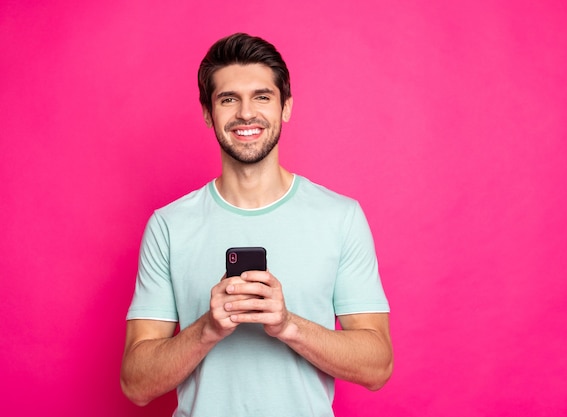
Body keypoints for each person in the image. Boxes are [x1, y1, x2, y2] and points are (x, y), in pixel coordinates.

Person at [120, 33, 393, 417]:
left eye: (262, 96)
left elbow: (378, 366)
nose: (246, 113)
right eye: (228, 99)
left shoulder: (340, 217)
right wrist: (208, 329)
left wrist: (287, 325)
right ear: (207, 112)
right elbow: (135, 383)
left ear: (286, 107)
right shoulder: (169, 225)